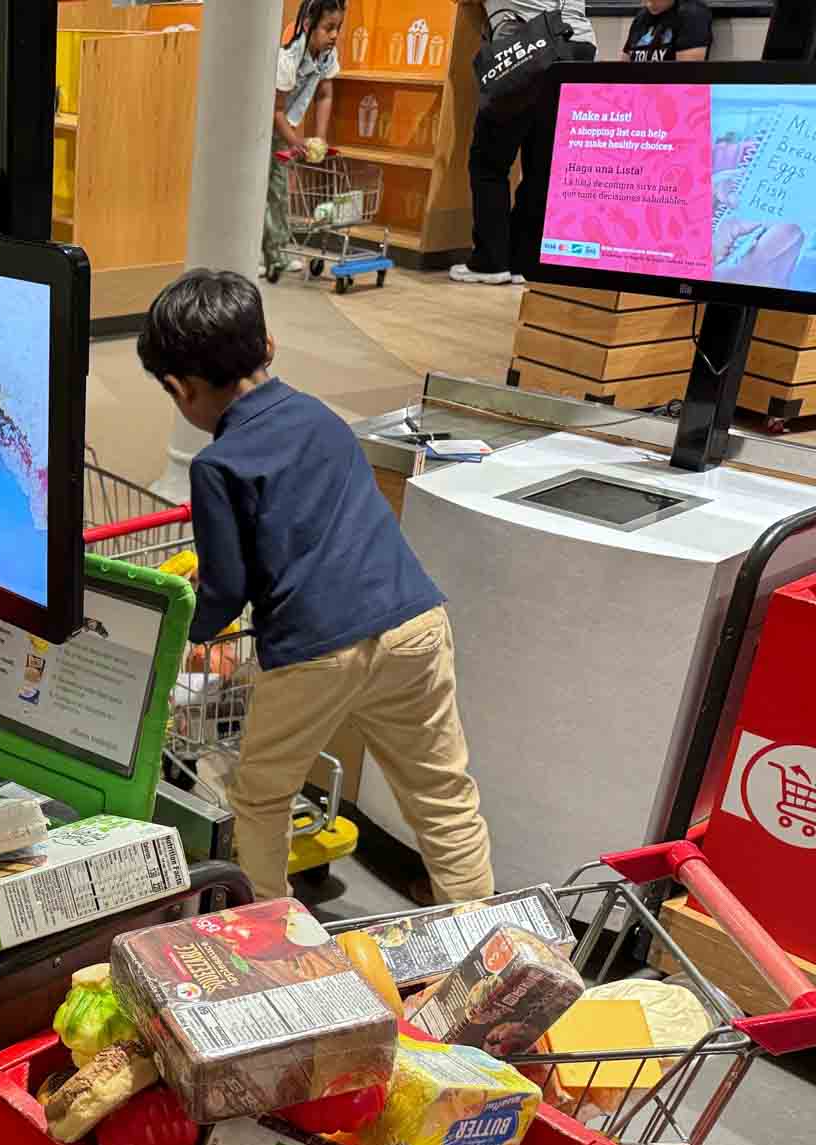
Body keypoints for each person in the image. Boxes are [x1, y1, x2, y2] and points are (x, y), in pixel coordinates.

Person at [138, 270, 493, 903]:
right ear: (268, 345)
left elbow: (227, 590)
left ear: (179, 389)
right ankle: (490, 954)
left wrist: (170, 638)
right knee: (443, 799)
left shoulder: (218, 465)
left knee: (261, 796)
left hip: (317, 652)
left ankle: (276, 937)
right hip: (413, 622)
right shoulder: (323, 416)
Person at [450, 0, 596, 286]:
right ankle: (521, 259)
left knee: (488, 163)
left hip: (529, 48)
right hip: (579, 47)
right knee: (542, 165)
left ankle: (490, 262)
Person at [266, 0, 344, 280]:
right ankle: (269, 256)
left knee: (278, 190)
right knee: (271, 191)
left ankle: (275, 252)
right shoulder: (288, 58)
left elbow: (325, 94)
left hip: (284, 128)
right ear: (309, 24)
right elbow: (273, 110)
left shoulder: (326, 56)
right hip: (265, 126)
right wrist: (295, 141)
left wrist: (320, 137)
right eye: (328, 28)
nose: (334, 35)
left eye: (338, 28)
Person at [621, 0, 711, 62]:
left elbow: (688, 75)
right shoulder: (641, 17)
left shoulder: (692, 13)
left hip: (670, 88)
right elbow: (623, 71)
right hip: (637, 87)